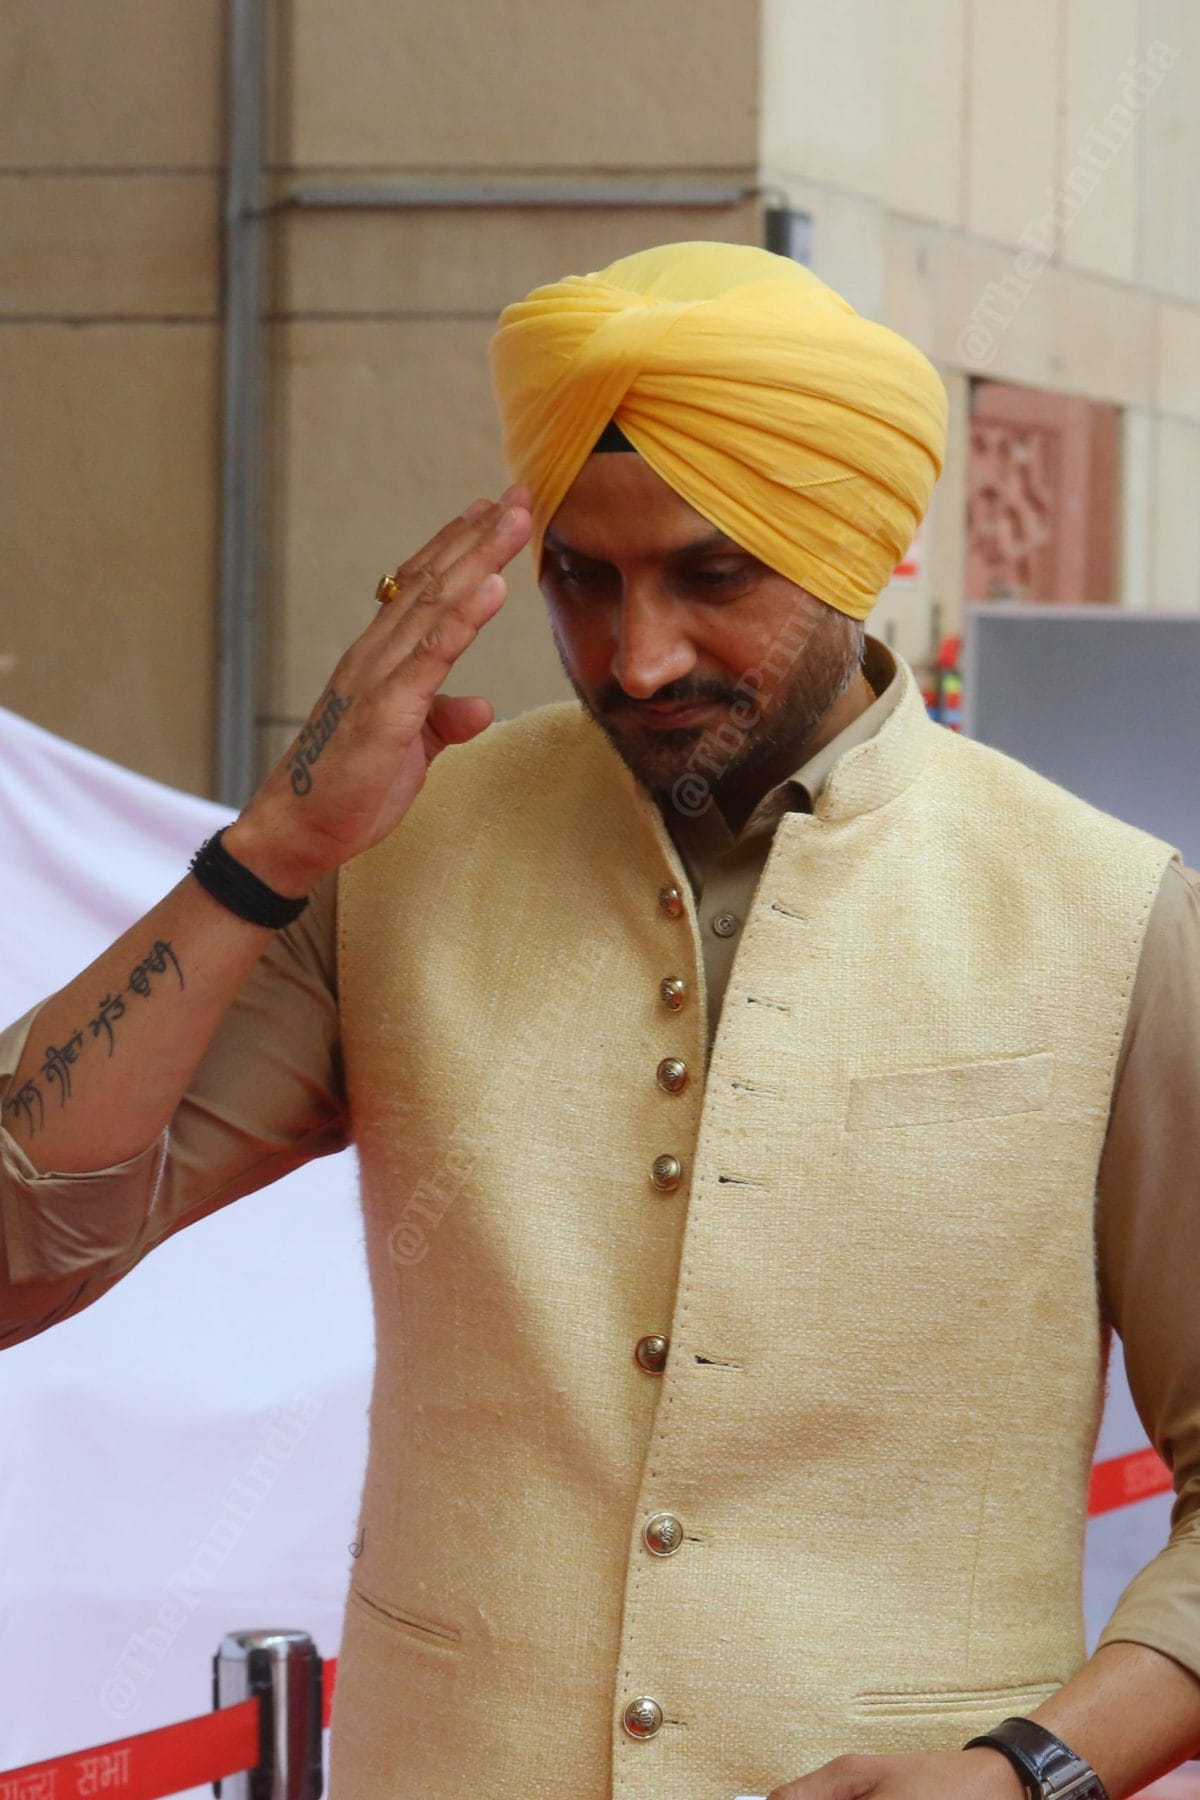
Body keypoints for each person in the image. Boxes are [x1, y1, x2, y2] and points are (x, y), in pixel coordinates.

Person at [2, 240, 1199, 1800]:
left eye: (714, 577)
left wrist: (1033, 1768)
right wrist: (272, 853)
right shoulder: (399, 856)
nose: (637, 657)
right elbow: (26, 1250)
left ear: (854, 548)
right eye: (582, 577)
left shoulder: (1108, 916)